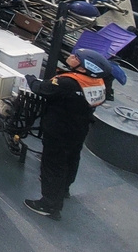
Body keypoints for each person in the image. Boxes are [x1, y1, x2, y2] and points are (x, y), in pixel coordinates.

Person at [23, 48, 117, 220]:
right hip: (79, 129)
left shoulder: (67, 83)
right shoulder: (97, 82)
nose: (70, 57)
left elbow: (40, 88)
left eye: (75, 57)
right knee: (72, 159)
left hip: (59, 131)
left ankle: (49, 205)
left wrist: (29, 77)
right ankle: (64, 189)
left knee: (53, 165)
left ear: (82, 68)